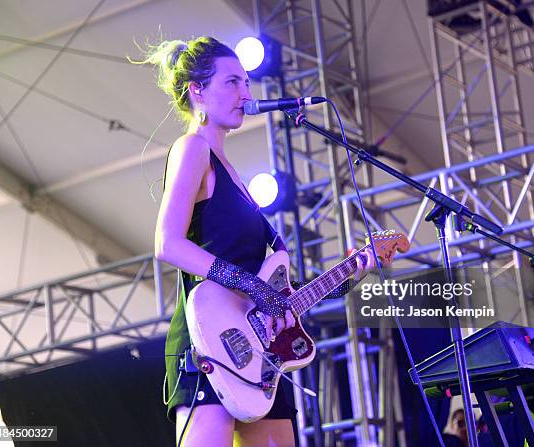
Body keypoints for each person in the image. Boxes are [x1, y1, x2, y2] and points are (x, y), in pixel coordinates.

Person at [142, 36, 375, 447]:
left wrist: (350, 271)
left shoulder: (235, 174)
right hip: (210, 339)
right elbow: (167, 244)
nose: (246, 95)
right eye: (232, 82)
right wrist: (250, 285)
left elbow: (275, 287)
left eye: (247, 84)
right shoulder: (192, 148)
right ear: (197, 89)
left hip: (260, 351)